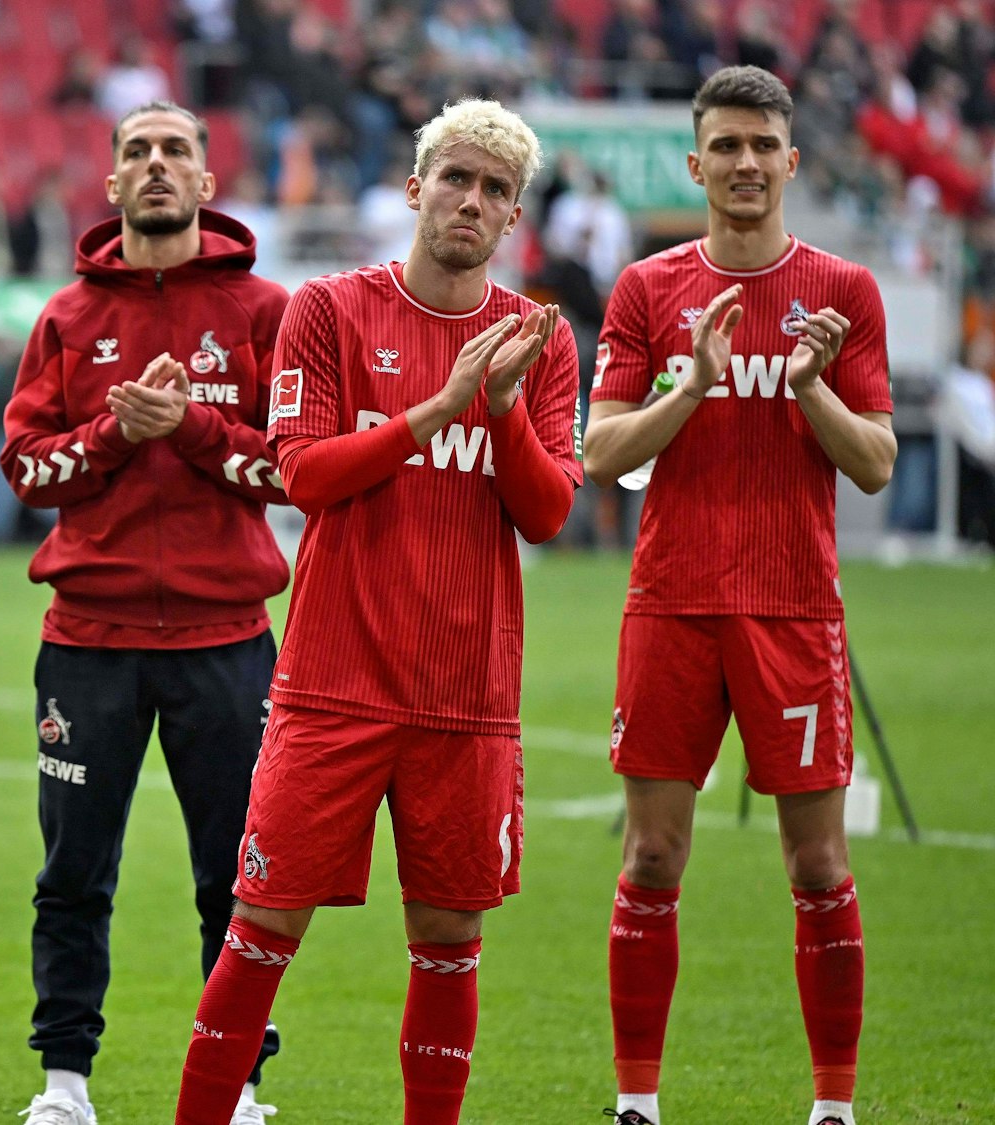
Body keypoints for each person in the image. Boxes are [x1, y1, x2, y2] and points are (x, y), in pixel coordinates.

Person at [172, 98, 581, 1125]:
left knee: (448, 940)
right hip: (332, 685)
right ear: (413, 188)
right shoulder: (327, 310)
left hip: (465, 697)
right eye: (456, 178)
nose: (471, 201)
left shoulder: (538, 339)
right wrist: (436, 410)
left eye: (495, 190)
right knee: (260, 926)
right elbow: (304, 474)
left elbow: (546, 514)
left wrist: (499, 414)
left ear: (513, 216)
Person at [580, 66, 895, 1125]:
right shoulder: (646, 289)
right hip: (670, 603)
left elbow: (875, 464)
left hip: (793, 611)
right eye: (726, 145)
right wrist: (694, 385)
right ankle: (636, 1102)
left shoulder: (844, 292)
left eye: (763, 145)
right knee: (650, 855)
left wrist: (807, 388)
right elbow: (600, 453)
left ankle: (832, 1109)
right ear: (695, 163)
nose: (745, 162)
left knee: (818, 863)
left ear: (791, 161)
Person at [0, 99, 292, 1125]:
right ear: (113, 182)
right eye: (137, 151)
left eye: (175, 150)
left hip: (228, 643)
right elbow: (25, 469)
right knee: (73, 873)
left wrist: (193, 428)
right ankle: (63, 1086)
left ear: (205, 182)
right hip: (88, 645)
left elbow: (296, 467)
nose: (156, 164)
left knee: (238, 878)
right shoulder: (65, 319)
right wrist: (115, 436)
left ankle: (238, 1089)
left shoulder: (265, 312)